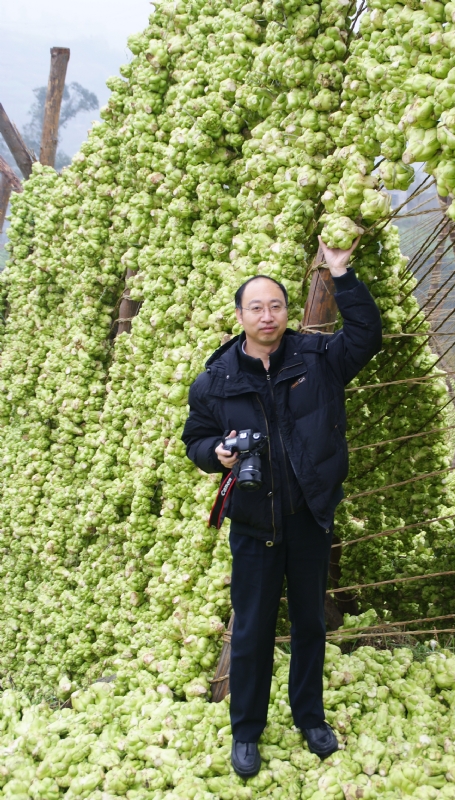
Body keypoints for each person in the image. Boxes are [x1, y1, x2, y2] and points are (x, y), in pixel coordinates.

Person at [181, 234, 382, 779]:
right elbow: (194, 439)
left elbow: (367, 334)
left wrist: (341, 274)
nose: (266, 316)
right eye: (256, 307)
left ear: (287, 312)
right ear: (240, 316)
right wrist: (216, 454)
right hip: (253, 524)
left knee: (310, 624)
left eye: (275, 306)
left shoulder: (319, 358)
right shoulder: (215, 380)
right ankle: (246, 731)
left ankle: (310, 719)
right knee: (251, 631)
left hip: (309, 518)